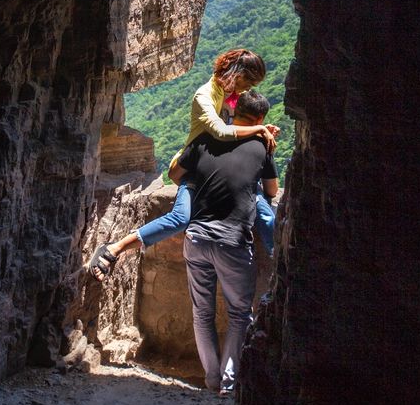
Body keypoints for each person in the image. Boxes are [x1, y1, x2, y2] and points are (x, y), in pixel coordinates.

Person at [88, 49, 278, 279]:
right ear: (235, 73)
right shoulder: (204, 96)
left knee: (263, 212)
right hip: (196, 169)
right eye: (246, 81)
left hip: (224, 170)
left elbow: (242, 124)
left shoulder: (233, 96)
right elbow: (219, 131)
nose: (247, 89)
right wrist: (257, 129)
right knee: (181, 218)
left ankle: (280, 264)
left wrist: (262, 130)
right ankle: (114, 248)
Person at [174, 88, 278, 393]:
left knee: (201, 312)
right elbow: (272, 191)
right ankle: (228, 385)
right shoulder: (262, 147)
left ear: (233, 112)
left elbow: (178, 173)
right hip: (233, 242)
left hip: (195, 237)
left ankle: (211, 379)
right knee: (239, 313)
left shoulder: (205, 138)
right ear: (259, 119)